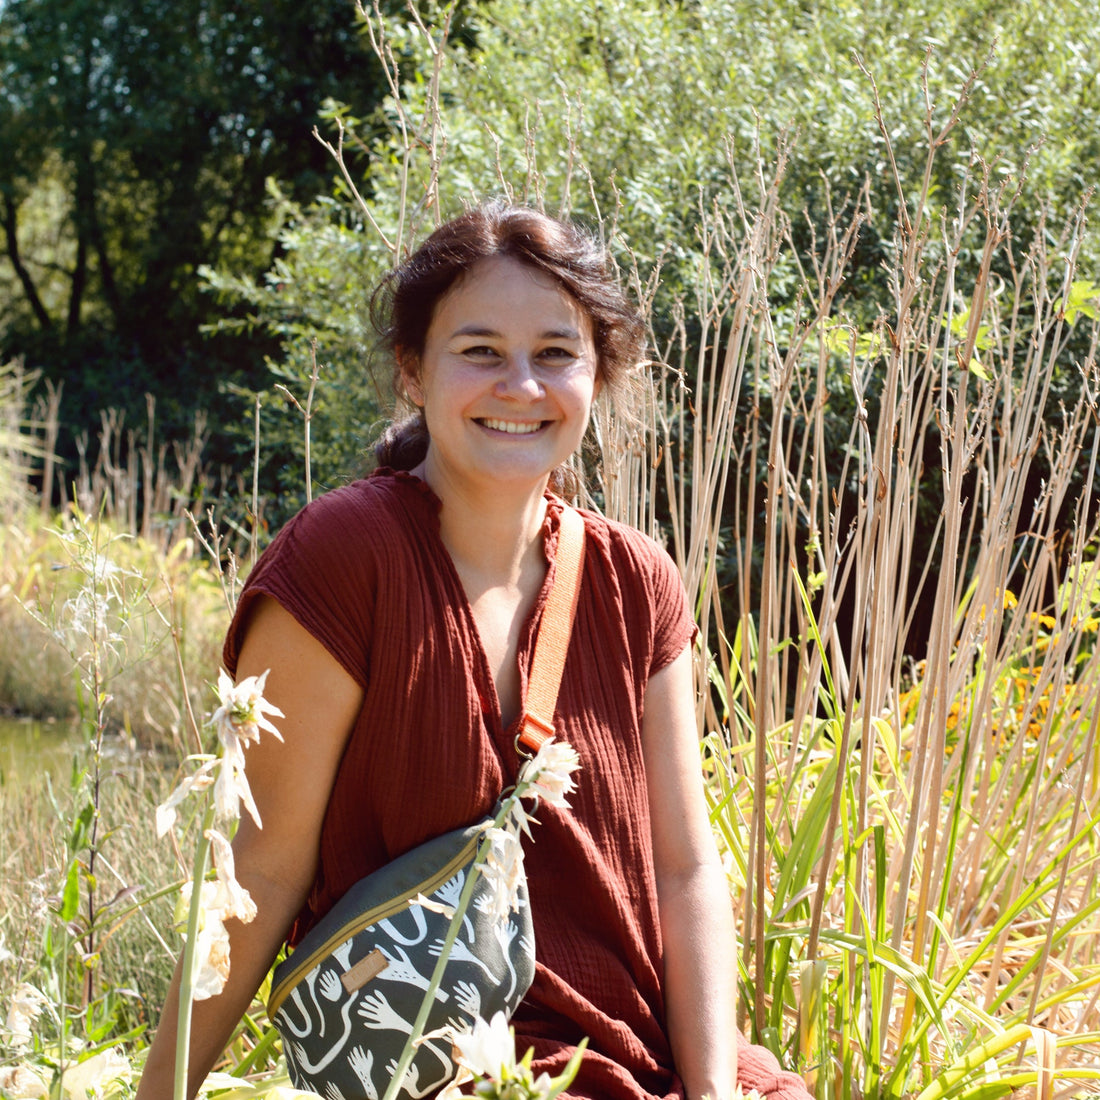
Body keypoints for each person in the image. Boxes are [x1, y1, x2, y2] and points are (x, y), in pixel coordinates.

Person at [137, 202, 811, 1100]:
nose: (521, 386)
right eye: (481, 351)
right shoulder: (343, 561)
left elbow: (686, 870)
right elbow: (262, 871)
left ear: (599, 373)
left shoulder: (637, 580)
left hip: (643, 1058)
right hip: (442, 1069)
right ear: (413, 371)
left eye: (556, 353)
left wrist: (715, 1091)